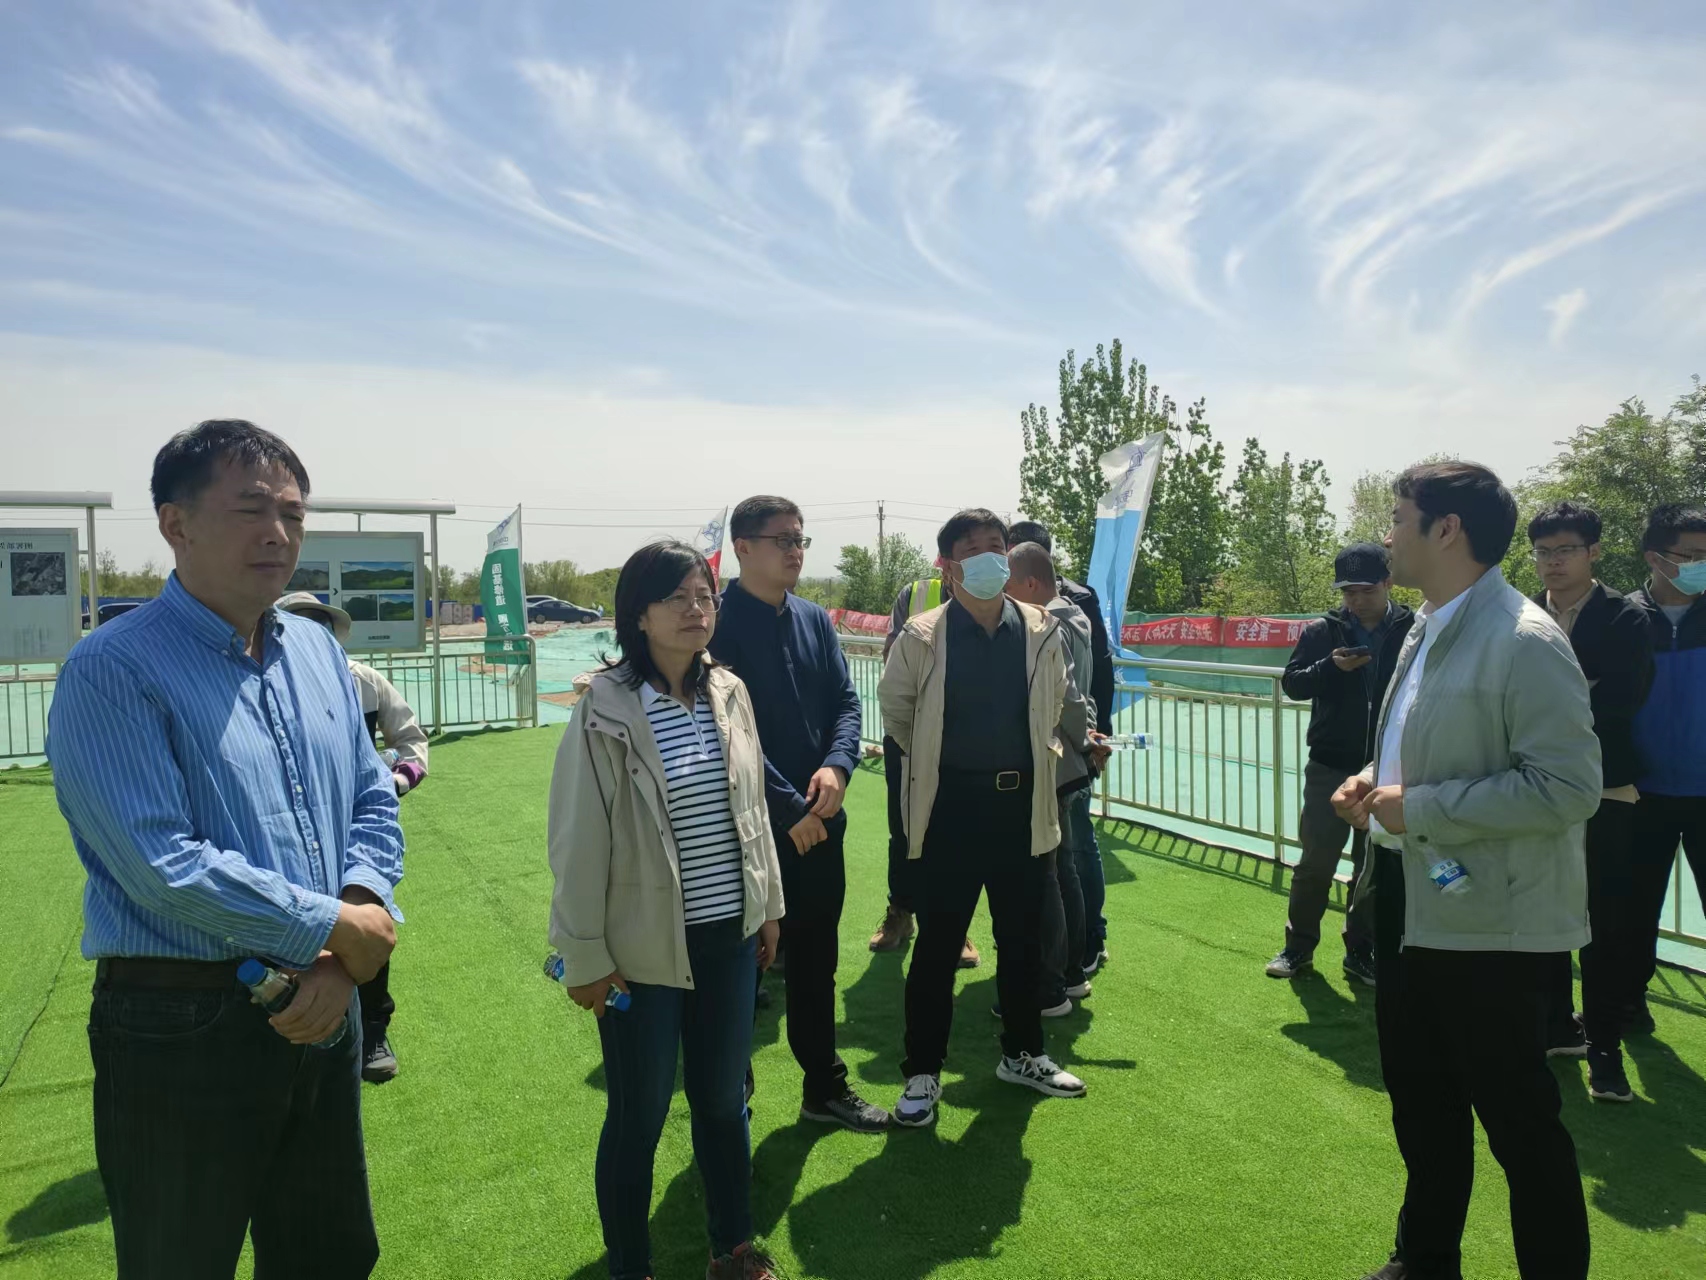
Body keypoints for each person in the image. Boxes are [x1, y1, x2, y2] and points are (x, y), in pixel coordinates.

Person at [45, 419, 403, 1279]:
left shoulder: (316, 650)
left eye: (293, 513)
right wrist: (337, 929)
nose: (278, 533)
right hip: (180, 1023)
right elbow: (159, 861)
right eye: (251, 510)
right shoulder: (113, 668)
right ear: (175, 524)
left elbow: (370, 796)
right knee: (180, 1259)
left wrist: (352, 928)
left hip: (325, 1000)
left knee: (328, 1255)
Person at [1334, 462, 1599, 1280]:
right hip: (1411, 899)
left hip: (1493, 925)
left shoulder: (1524, 639)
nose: (1387, 534)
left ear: (1446, 529)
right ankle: (1424, 1259)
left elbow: (1567, 787)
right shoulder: (1426, 624)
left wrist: (1422, 807)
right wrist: (1371, 783)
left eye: (1398, 516)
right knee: (1422, 1103)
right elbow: (1423, 748)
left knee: (1520, 1123)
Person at [548, 539, 785, 1280]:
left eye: (704, 596)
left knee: (722, 1101)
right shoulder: (605, 707)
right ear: (639, 614)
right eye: (675, 597)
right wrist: (584, 954)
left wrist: (767, 906)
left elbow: (752, 811)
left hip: (728, 939)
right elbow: (577, 839)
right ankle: (631, 1267)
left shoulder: (730, 692)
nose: (695, 609)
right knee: (639, 1115)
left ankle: (732, 1249)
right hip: (640, 950)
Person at [881, 509, 1091, 1129]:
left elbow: (1060, 700)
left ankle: (1023, 1054)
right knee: (938, 947)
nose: (989, 558)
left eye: (996, 546)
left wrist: (1069, 746)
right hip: (950, 808)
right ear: (949, 566)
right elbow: (897, 713)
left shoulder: (1041, 628)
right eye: (972, 549)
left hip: (1023, 806)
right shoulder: (922, 635)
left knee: (1023, 940)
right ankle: (922, 1072)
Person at [708, 496, 891, 1133]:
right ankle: (730, 1102)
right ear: (743, 547)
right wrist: (789, 808)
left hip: (819, 823)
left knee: (816, 964)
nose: (795, 550)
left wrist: (838, 766)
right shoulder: (713, 624)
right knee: (738, 969)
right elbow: (724, 735)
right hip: (744, 830)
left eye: (800, 539)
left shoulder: (813, 618)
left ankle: (824, 1088)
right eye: (781, 539)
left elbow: (845, 701)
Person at [1525, 503, 1654, 1101]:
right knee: (1543, 911)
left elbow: (1621, 700)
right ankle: (1558, 1026)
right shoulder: (1523, 614)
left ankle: (1605, 1048)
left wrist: (1543, 708)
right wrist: (1579, 690)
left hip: (1607, 787)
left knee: (1604, 921)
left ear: (1593, 552)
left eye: (1566, 550)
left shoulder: (1626, 616)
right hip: (1534, 787)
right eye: (1543, 551)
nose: (1554, 562)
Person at [278, 591, 431, 1084]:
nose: (310, 632)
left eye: (319, 623)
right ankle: (299, 1033)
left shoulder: (363, 680)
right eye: (298, 622)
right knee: (296, 926)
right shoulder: (257, 685)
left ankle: (373, 1031)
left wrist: (394, 782)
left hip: (357, 832)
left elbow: (411, 740)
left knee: (366, 921)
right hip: (289, 833)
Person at [1268, 543, 1414, 987]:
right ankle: (1298, 947)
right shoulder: (1322, 630)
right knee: (1315, 862)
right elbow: (1293, 684)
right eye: (1349, 592)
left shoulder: (1412, 629)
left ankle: (1361, 950)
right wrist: (1330, 668)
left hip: (1386, 767)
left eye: (1367, 590)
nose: (1357, 600)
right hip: (1329, 765)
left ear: (1388, 583)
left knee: (1371, 867)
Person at [1004, 540, 1110, 1016]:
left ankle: (1059, 974)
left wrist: (1084, 741)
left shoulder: (1048, 625)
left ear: (1030, 583)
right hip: (1071, 758)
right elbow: (1085, 695)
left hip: (1056, 760)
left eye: (1008, 585)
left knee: (1055, 873)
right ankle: (1072, 969)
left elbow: (1066, 698)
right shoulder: (1078, 618)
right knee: (1065, 867)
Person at [868, 572, 981, 972]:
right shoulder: (915, 594)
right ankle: (901, 912)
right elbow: (892, 659)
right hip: (908, 732)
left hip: (964, 739)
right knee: (903, 828)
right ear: (947, 560)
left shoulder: (992, 600)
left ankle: (955, 928)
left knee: (956, 833)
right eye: (967, 548)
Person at [1626, 503, 1706, 1038]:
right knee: (1632, 911)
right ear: (1656, 558)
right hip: (1639, 793)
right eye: (1692, 555)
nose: (1702, 566)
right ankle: (1627, 1007)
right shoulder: (1623, 618)